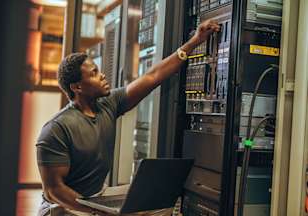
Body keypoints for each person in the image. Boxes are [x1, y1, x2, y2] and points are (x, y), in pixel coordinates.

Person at [36, 19, 220, 216]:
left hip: (97, 196)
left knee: (159, 202)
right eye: (95, 73)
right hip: (65, 206)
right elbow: (54, 191)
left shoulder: (109, 104)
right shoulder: (56, 129)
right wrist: (99, 212)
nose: (103, 76)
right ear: (77, 87)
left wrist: (196, 40)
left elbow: (152, 76)